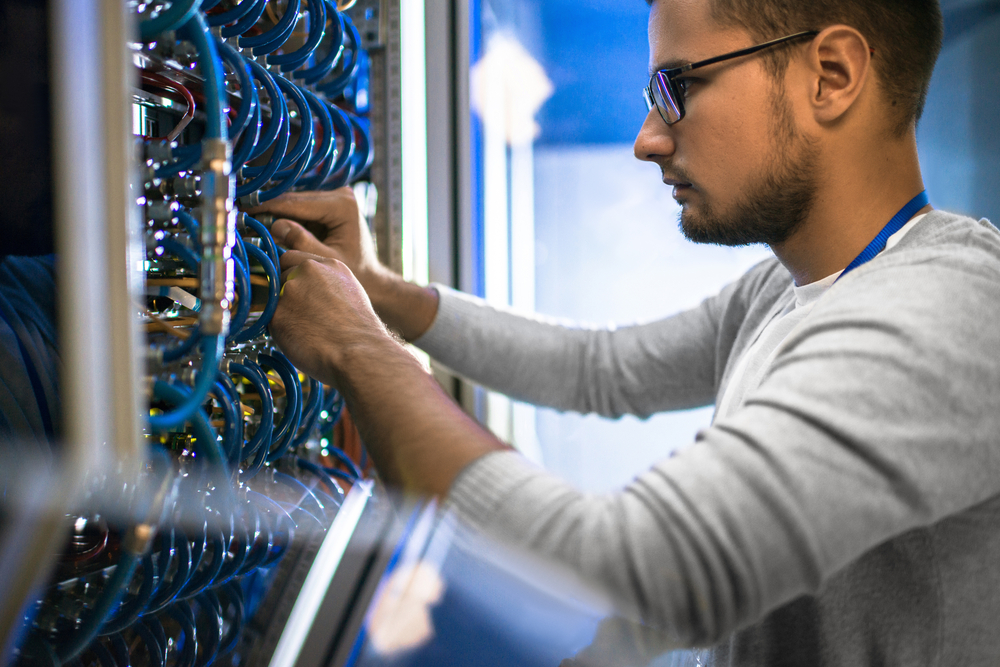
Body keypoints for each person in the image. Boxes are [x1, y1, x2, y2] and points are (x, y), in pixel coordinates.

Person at [250, 0, 1000, 663]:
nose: (648, 139)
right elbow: (598, 368)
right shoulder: (786, 288)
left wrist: (357, 350)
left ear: (831, 75)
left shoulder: (947, 311)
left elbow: (639, 563)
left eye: (678, 88)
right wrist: (379, 294)